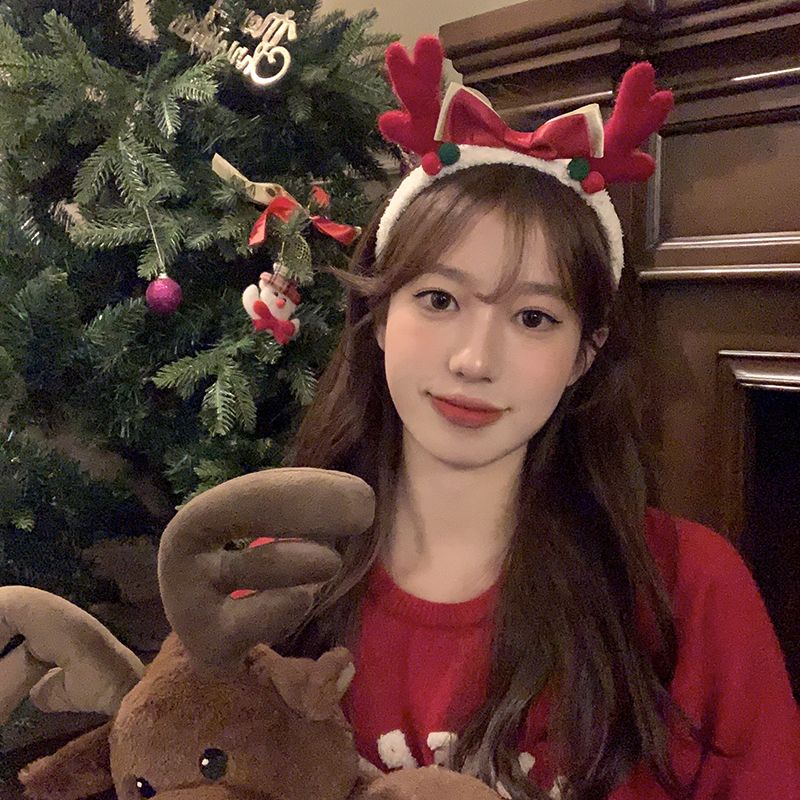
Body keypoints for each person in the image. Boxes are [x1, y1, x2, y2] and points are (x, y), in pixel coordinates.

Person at [281, 36, 800, 799]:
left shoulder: (691, 589)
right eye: (439, 300)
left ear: (584, 353)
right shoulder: (277, 570)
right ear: (380, 317)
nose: (474, 359)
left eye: (533, 318)